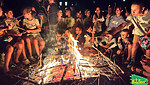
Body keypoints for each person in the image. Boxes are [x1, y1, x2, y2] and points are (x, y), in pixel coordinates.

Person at [126, 1, 150, 67]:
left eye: (135, 10)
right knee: (134, 44)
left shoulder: (148, 15)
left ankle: (147, 62)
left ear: (142, 9)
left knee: (147, 47)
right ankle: (132, 61)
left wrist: (147, 35)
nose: (132, 12)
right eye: (131, 10)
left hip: (146, 33)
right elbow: (124, 24)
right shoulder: (132, 15)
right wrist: (112, 32)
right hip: (137, 32)